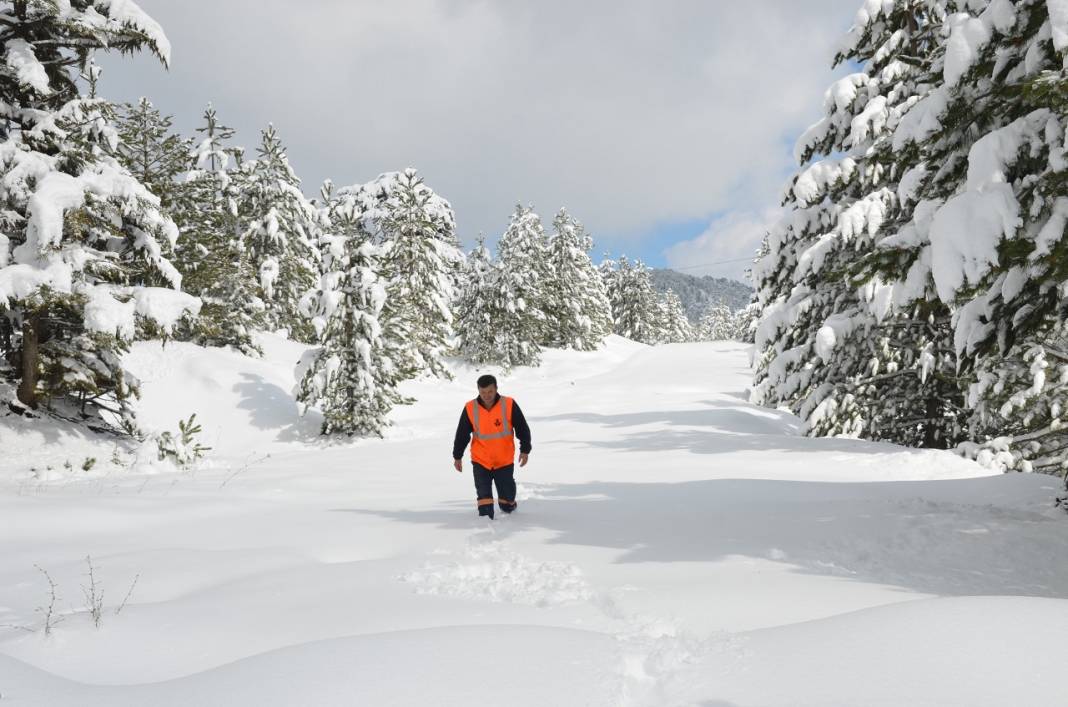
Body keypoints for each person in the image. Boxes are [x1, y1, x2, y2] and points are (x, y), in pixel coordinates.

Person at [452, 374, 532, 519]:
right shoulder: (470, 408)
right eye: (483, 392)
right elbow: (462, 434)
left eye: (490, 391)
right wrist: (457, 456)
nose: (486, 395)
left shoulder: (508, 404)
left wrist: (525, 450)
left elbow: (522, 428)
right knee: (484, 506)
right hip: (481, 460)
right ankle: (485, 527)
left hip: (504, 459)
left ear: (496, 389)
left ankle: (509, 505)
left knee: (507, 503)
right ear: (478, 390)